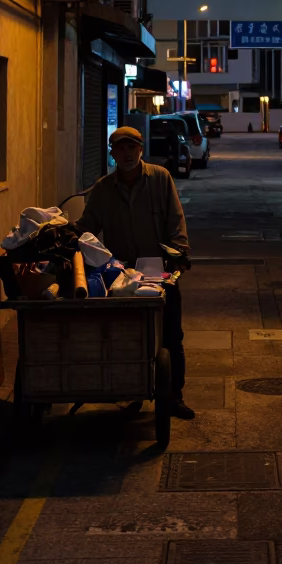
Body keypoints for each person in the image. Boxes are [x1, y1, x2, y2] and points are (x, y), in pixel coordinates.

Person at [76, 125, 195, 420]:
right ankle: (133, 390)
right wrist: (65, 238)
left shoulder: (160, 178)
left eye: (132, 147)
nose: (127, 154)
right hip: (121, 276)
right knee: (126, 335)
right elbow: (87, 227)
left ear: (141, 149)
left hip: (160, 272)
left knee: (170, 335)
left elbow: (175, 219)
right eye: (121, 148)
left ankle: (174, 396)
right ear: (112, 153)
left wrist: (179, 254)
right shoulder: (103, 188)